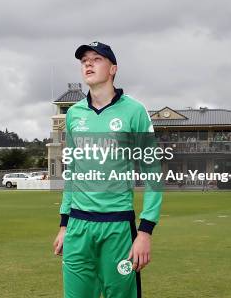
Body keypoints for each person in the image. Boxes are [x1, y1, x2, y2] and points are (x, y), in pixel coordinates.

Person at [52, 41, 162, 298]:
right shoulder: (74, 114)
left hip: (117, 227)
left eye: (96, 59)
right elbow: (73, 171)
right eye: (84, 60)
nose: (88, 63)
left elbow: (153, 173)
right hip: (78, 227)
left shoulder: (134, 111)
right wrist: (64, 224)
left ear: (113, 69)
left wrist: (145, 231)